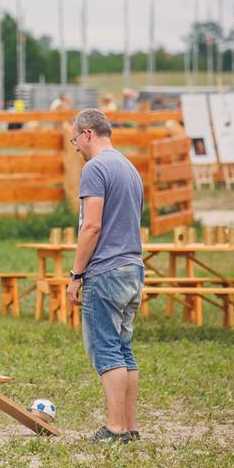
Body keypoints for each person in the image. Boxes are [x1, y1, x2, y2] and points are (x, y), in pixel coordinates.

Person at [66, 109, 145, 444]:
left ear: (87, 133)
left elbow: (92, 225)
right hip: (133, 267)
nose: (75, 149)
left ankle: (114, 429)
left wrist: (76, 273)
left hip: (106, 270)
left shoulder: (95, 168)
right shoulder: (129, 167)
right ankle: (128, 427)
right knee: (124, 348)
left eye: (74, 140)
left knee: (106, 348)